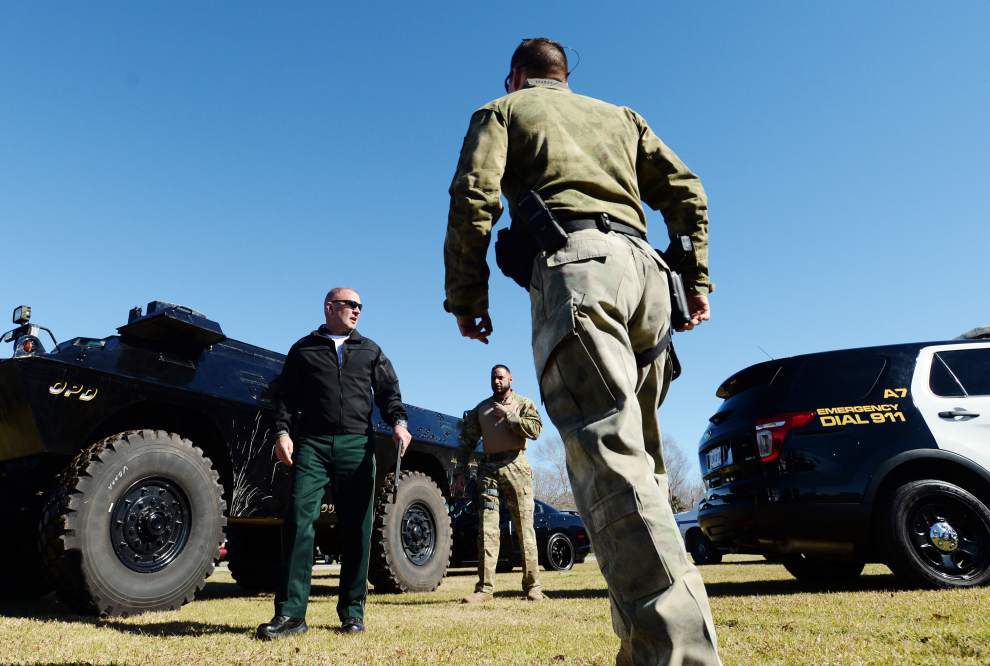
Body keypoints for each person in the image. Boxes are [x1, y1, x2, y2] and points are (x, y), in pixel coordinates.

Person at [443, 38, 720, 665]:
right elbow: (688, 192)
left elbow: (473, 198)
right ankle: (641, 649)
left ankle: (678, 658)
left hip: (579, 273)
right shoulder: (623, 117)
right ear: (564, 77)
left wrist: (467, 294)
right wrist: (697, 281)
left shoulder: (503, 112)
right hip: (649, 279)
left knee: (612, 471)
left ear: (517, 76)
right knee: (643, 470)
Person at [256, 288, 412, 640]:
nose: (357, 310)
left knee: (357, 527)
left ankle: (353, 612)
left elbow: (390, 393)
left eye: (361, 306)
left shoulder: (370, 350)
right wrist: (282, 433)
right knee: (298, 520)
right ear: (330, 307)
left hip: (357, 444)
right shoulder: (303, 349)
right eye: (350, 305)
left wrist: (399, 424)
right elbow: (283, 397)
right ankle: (291, 615)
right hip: (311, 444)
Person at [452, 364, 544, 603]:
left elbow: (535, 430)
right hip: (488, 470)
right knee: (487, 529)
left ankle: (533, 587)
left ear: (511, 379)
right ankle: (484, 589)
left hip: (516, 466)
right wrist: (460, 470)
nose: (497, 381)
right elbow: (466, 441)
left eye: (501, 377)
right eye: (493, 377)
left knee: (525, 527)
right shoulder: (481, 409)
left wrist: (510, 416)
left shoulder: (523, 403)